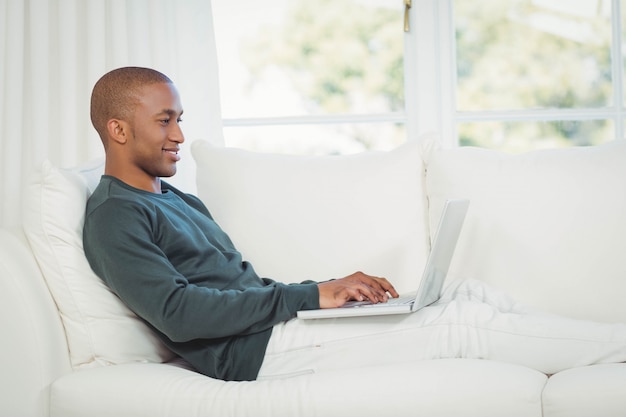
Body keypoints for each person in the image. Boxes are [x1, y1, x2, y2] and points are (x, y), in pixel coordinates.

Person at [83, 66, 626, 382]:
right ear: (119, 130)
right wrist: (310, 296)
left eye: (180, 119)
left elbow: (238, 289)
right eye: (165, 120)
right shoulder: (115, 217)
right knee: (461, 329)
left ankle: (608, 346)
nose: (178, 134)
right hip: (251, 354)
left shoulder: (176, 198)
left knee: (462, 294)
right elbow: (179, 315)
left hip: (274, 330)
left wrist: (328, 293)